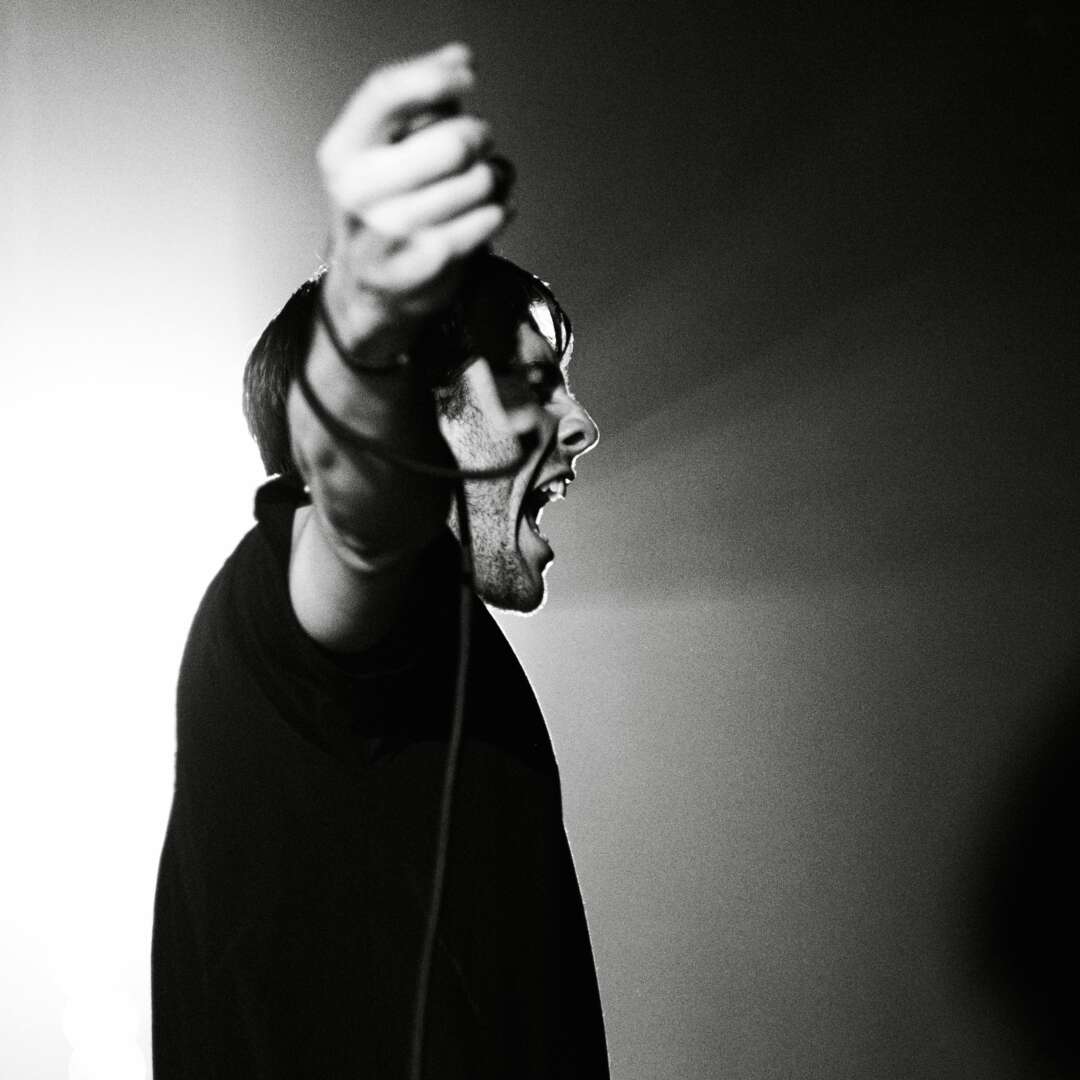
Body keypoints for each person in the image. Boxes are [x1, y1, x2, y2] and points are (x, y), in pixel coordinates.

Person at [151, 42, 608, 1079]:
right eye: (534, 385)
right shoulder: (280, 604)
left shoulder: (453, 661)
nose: (581, 425)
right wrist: (362, 332)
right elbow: (361, 526)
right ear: (418, 414)